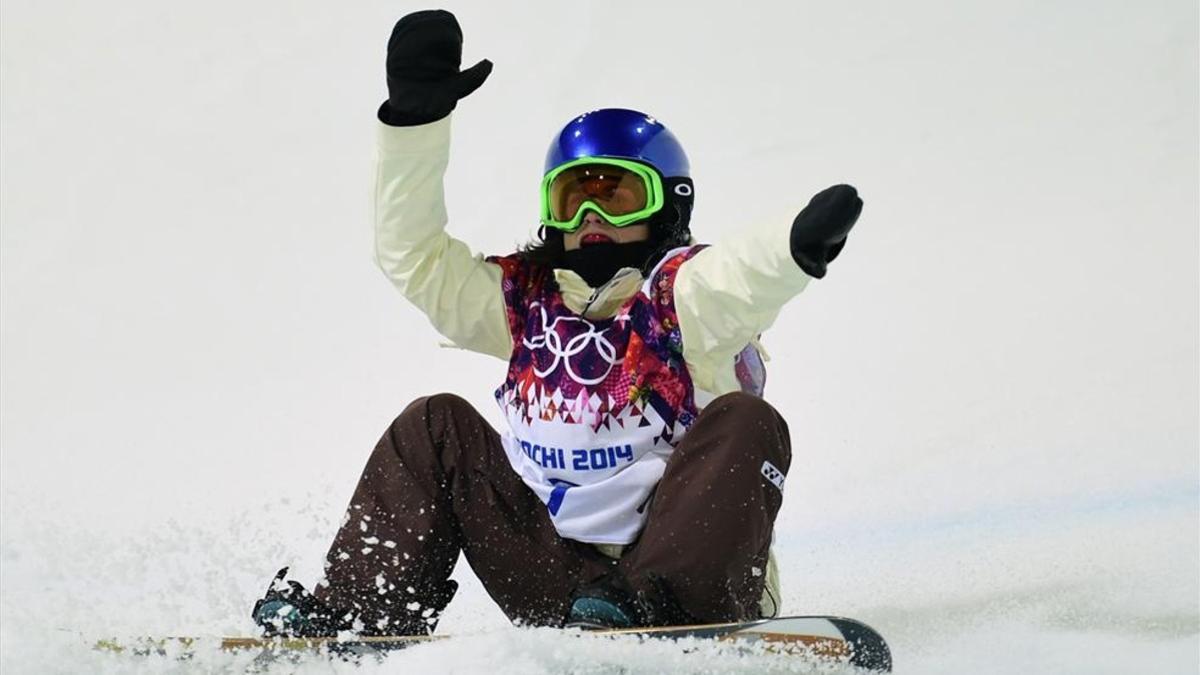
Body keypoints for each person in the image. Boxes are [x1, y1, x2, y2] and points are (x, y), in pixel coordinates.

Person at [252, 9, 863, 637]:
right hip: (556, 580)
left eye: (618, 194)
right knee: (434, 424)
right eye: (573, 197)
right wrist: (416, 126)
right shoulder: (524, 302)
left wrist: (794, 248)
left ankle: (660, 619)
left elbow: (739, 276)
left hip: (684, 580)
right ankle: (356, 614)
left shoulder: (682, 298)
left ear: (668, 205)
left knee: (746, 422)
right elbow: (415, 260)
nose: (591, 214)